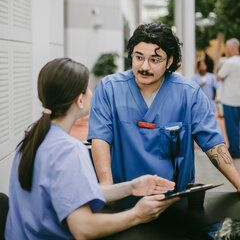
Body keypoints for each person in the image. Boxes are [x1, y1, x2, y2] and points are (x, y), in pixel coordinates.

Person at [5, 58, 177, 240]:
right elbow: (83, 229)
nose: (91, 93)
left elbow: (72, 194)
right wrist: (138, 214)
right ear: (80, 100)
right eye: (88, 88)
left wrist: (132, 187)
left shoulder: (32, 137)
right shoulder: (69, 150)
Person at [88, 22, 240, 194]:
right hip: (123, 200)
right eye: (138, 57)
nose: (144, 67)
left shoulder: (188, 94)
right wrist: (107, 188)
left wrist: (238, 182)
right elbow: (100, 139)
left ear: (169, 62)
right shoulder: (109, 89)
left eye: (154, 60)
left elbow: (213, 144)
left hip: (173, 201)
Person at [217, 38, 240, 158]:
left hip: (230, 99)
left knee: (232, 126)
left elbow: (219, 77)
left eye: (227, 46)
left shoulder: (229, 62)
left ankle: (235, 150)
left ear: (231, 48)